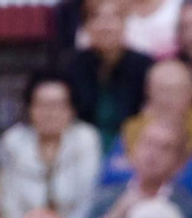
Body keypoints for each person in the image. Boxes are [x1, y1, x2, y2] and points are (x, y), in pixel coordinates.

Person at [75, 115, 192, 218]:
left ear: (180, 163)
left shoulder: (189, 209)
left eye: (164, 148)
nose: (152, 153)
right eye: (148, 143)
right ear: (134, 150)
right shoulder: (107, 197)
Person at [0, 74, 104, 218]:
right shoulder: (14, 142)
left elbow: (88, 201)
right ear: (30, 109)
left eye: (57, 105)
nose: (49, 113)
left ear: (71, 110)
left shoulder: (86, 139)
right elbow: (9, 202)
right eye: (41, 105)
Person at [58, 0, 153, 153]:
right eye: (97, 18)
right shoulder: (71, 65)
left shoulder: (145, 65)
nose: (105, 26)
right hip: (80, 146)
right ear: (86, 27)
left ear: (125, 24)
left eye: (113, 18)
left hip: (133, 145)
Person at [121, 59, 192, 161]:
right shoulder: (133, 128)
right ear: (148, 92)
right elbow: (117, 168)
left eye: (175, 91)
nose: (167, 99)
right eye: (160, 90)